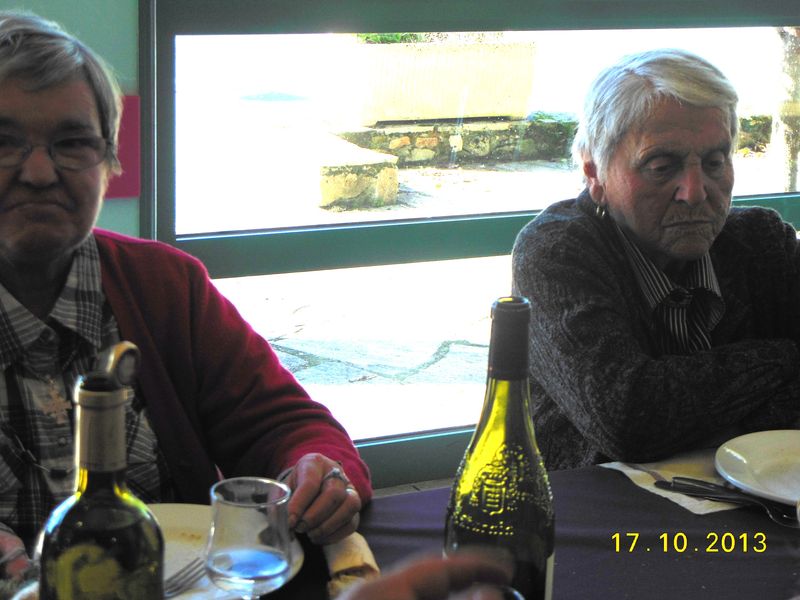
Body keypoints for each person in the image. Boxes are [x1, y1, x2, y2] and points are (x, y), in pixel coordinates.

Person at [0, 9, 370, 591]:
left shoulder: (165, 286)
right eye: (3, 142)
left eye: (72, 142)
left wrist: (316, 473)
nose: (41, 172)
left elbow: (284, 425)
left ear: (110, 162)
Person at [512, 48, 800, 471]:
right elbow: (627, 416)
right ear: (595, 174)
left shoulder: (761, 243)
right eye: (662, 166)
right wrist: (786, 358)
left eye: (714, 162)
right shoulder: (556, 253)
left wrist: (688, 406)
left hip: (760, 499)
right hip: (595, 506)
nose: (695, 192)